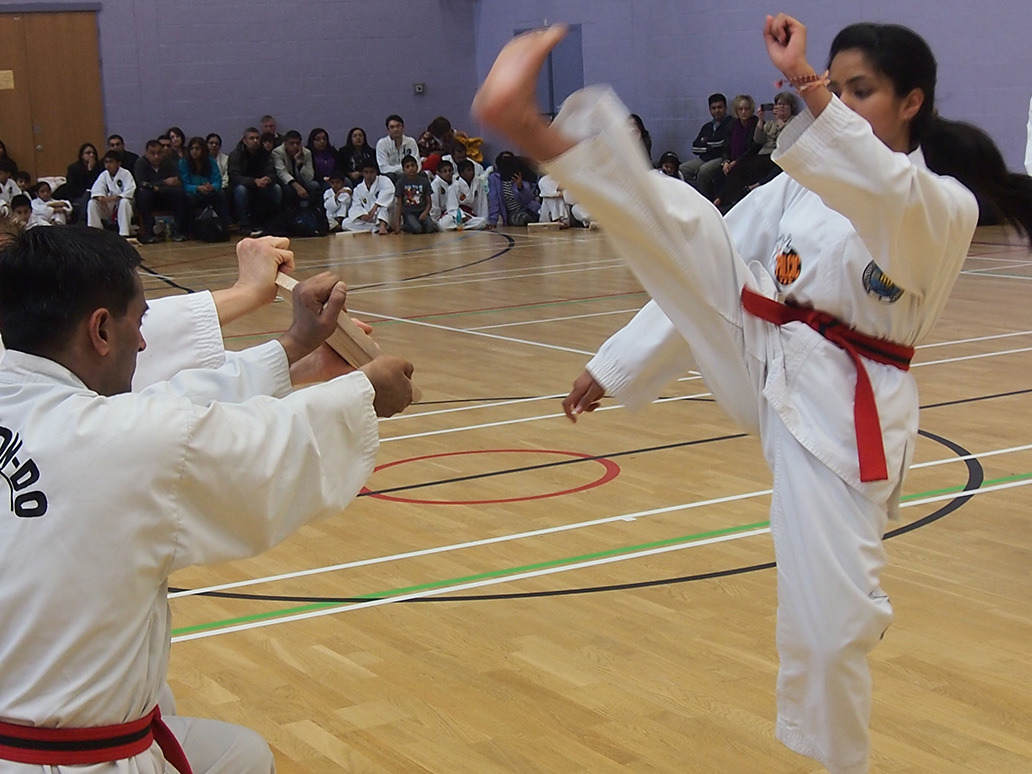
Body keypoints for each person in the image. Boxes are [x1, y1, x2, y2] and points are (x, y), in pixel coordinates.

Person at [472, 17, 1032, 774]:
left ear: (911, 102)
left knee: (835, 631)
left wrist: (804, 82)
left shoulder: (941, 206)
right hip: (764, 345)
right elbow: (717, 244)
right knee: (697, 226)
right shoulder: (799, 187)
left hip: (843, 407)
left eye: (857, 90)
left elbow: (882, 186)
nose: (837, 102)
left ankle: (844, 765)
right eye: (834, 89)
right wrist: (616, 363)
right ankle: (536, 133)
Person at [0, 226, 416, 774]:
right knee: (240, 757)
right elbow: (246, 448)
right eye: (139, 323)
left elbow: (162, 413)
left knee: (219, 740)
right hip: (66, 761)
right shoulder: (121, 442)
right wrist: (364, 392)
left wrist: (295, 344)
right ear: (101, 329)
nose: (144, 345)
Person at [720, 91, 800, 211]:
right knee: (738, 168)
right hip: (763, 154)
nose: (781, 107)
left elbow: (785, 141)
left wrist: (780, 122)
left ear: (791, 107)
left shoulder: (794, 122)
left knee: (756, 167)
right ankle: (730, 201)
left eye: (784, 105)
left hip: (776, 155)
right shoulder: (770, 124)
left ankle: (749, 191)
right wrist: (761, 121)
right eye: (779, 104)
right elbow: (758, 139)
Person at [678, 92, 733, 199]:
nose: (717, 110)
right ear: (710, 110)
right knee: (681, 169)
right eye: (713, 108)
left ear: (725, 108)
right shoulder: (707, 126)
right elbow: (694, 147)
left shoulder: (731, 123)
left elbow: (722, 143)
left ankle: (706, 200)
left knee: (703, 171)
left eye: (720, 107)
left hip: (721, 158)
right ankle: (689, 198)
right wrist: (710, 146)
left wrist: (706, 143)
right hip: (704, 158)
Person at [229, 127, 282, 236]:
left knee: (276, 189)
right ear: (244, 140)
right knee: (240, 190)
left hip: (262, 185)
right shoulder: (236, 154)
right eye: (251, 138)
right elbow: (234, 176)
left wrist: (268, 179)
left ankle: (272, 222)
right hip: (244, 185)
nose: (255, 141)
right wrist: (254, 181)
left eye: (257, 138)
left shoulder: (264, 153)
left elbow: (272, 172)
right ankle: (244, 225)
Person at [135, 139, 189, 243]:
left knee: (179, 193)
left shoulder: (169, 162)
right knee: (143, 194)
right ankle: (148, 232)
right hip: (149, 197)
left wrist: (156, 186)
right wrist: (164, 182)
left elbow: (176, 181)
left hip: (166, 196)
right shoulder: (140, 163)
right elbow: (141, 183)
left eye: (159, 153)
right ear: (146, 153)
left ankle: (177, 230)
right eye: (153, 153)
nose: (156, 156)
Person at [179, 136, 230, 232]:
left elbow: (217, 180)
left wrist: (212, 187)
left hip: (208, 191)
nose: (194, 151)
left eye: (197, 149)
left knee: (221, 194)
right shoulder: (183, 163)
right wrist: (197, 188)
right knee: (188, 197)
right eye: (192, 148)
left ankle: (224, 225)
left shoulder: (210, 161)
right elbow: (184, 184)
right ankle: (190, 229)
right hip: (193, 192)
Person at [87, 150, 135, 238]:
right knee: (92, 203)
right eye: (106, 162)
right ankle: (95, 233)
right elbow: (96, 190)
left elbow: (129, 191)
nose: (108, 165)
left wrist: (114, 198)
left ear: (118, 163)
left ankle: (124, 233)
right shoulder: (103, 175)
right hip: (108, 206)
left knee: (124, 202)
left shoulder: (126, 174)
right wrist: (100, 198)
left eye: (111, 162)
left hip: (121, 205)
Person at [487, 151, 539, 227]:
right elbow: (494, 199)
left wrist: (520, 187)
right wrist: (493, 220)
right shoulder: (494, 178)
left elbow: (528, 199)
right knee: (523, 218)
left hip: (528, 208)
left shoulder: (519, 174)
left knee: (539, 214)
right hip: (512, 213)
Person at [53, 143, 102, 223]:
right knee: (87, 196)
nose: (91, 155)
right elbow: (72, 188)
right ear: (82, 155)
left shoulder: (99, 168)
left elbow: (96, 185)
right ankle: (81, 223)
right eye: (88, 153)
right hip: (77, 197)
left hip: (95, 196)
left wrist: (91, 170)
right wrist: (89, 171)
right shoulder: (74, 169)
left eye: (93, 153)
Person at [343, 159, 394, 235]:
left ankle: (383, 226)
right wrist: (362, 215)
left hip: (383, 216)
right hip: (369, 219)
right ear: (362, 173)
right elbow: (355, 206)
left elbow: (389, 193)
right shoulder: (358, 189)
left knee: (384, 206)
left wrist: (375, 207)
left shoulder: (384, 180)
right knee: (345, 223)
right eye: (366, 172)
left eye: (371, 172)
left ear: (376, 172)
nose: (369, 175)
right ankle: (375, 228)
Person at [272, 130, 320, 209]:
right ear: (285, 143)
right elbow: (282, 172)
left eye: (297, 143)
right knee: (288, 190)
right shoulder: (277, 152)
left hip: (301, 180)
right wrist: (297, 186)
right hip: (286, 182)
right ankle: (291, 214)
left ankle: (312, 212)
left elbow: (309, 177)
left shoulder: (306, 153)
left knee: (314, 185)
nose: (295, 146)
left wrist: (299, 164)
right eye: (292, 143)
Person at [393, 155, 435, 234]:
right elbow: (399, 205)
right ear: (403, 170)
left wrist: (425, 213)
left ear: (417, 167)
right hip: (409, 213)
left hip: (422, 211)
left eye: (413, 165)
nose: (411, 168)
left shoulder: (424, 181)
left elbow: (429, 203)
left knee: (430, 228)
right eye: (407, 167)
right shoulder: (400, 183)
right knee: (417, 229)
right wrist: (397, 226)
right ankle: (406, 226)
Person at [445, 159, 489, 231]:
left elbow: (482, 202)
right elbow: (452, 207)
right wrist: (462, 216)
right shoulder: (455, 186)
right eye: (468, 170)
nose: (472, 172)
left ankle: (460, 227)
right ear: (461, 173)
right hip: (457, 215)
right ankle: (461, 225)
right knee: (444, 224)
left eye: (472, 170)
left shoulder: (478, 183)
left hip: (471, 216)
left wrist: (484, 219)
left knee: (482, 221)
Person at [375, 114, 420, 181]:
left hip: (409, 175)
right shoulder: (382, 144)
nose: (395, 129)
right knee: (390, 176)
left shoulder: (411, 142)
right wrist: (404, 168)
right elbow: (383, 168)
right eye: (392, 127)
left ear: (403, 127)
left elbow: (418, 164)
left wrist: (407, 170)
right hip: (391, 177)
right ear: (388, 130)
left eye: (398, 126)